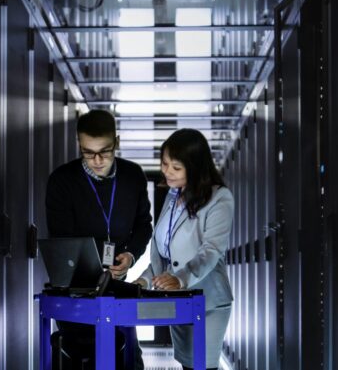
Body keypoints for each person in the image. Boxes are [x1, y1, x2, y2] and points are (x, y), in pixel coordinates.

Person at [45, 109, 152, 369]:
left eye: (104, 151)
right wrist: (93, 268)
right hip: (76, 288)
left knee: (127, 358)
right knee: (84, 356)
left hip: (117, 282)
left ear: (116, 142)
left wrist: (131, 255)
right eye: (87, 152)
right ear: (79, 145)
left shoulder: (133, 176)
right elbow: (62, 238)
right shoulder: (62, 180)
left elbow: (143, 224)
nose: (96, 160)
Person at [135, 129, 234, 370]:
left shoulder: (220, 198)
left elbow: (211, 251)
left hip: (207, 299)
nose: (167, 171)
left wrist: (180, 279)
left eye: (176, 167)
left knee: (203, 366)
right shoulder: (172, 195)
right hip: (177, 299)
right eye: (165, 163)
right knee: (187, 365)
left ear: (196, 167)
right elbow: (166, 255)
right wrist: (145, 280)